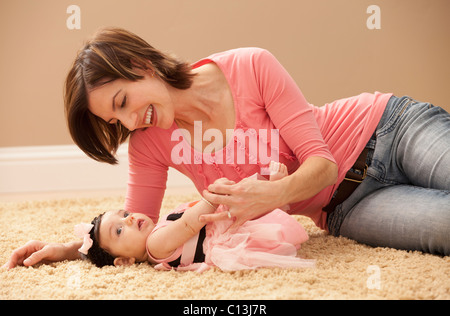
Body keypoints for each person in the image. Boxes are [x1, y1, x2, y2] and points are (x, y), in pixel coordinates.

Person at [4, 26, 450, 269]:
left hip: (389, 129)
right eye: (114, 120)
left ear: (141, 65)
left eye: (123, 102)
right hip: (345, 209)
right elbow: (140, 231)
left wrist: (276, 194)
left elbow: (323, 164)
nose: (128, 122)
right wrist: (73, 247)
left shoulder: (250, 65)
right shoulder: (149, 145)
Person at [73, 161, 314, 271]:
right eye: (119, 230)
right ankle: (271, 189)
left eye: (124, 214)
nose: (128, 219)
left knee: (235, 204)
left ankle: (269, 188)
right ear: (124, 261)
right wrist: (210, 199)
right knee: (234, 211)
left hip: (214, 225)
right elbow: (189, 224)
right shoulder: (154, 246)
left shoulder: (158, 231)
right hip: (216, 236)